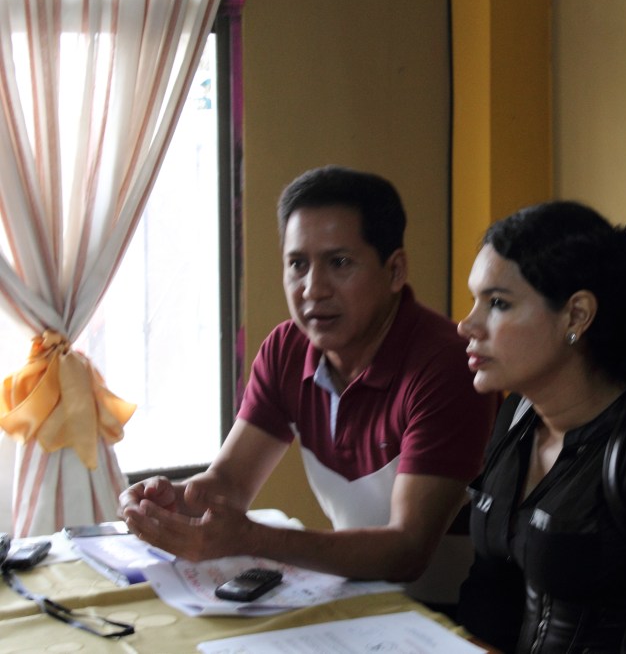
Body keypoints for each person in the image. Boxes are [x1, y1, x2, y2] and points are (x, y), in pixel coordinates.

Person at [119, 165, 498, 606]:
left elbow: (407, 550)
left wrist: (251, 537)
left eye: (339, 263)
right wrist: (172, 503)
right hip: (359, 600)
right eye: (298, 264)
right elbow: (229, 484)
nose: (313, 289)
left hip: (453, 615)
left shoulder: (447, 363)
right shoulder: (287, 349)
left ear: (395, 271)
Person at [455, 201, 626, 653]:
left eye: (498, 303)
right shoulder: (516, 415)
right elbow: (489, 592)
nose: (466, 325)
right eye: (475, 300)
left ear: (575, 316)